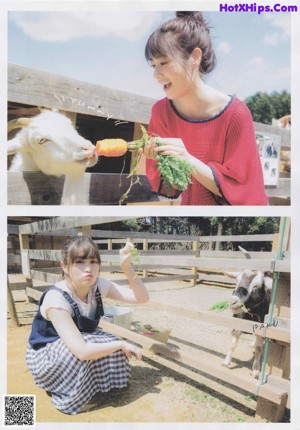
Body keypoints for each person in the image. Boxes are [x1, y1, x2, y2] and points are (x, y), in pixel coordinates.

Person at [141, 11, 268, 205]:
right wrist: (160, 161)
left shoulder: (236, 114)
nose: (156, 75)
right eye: (153, 65)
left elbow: (243, 191)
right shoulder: (161, 112)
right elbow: (173, 185)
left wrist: (186, 158)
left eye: (163, 63)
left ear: (195, 57)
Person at [26, 236, 149, 415]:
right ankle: (61, 387)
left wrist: (127, 268)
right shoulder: (57, 298)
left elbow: (142, 298)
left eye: (93, 261)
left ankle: (94, 385)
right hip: (46, 355)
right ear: (64, 266)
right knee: (102, 345)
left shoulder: (97, 286)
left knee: (107, 341)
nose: (88, 268)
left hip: (78, 340)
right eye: (79, 262)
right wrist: (121, 344)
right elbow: (82, 351)